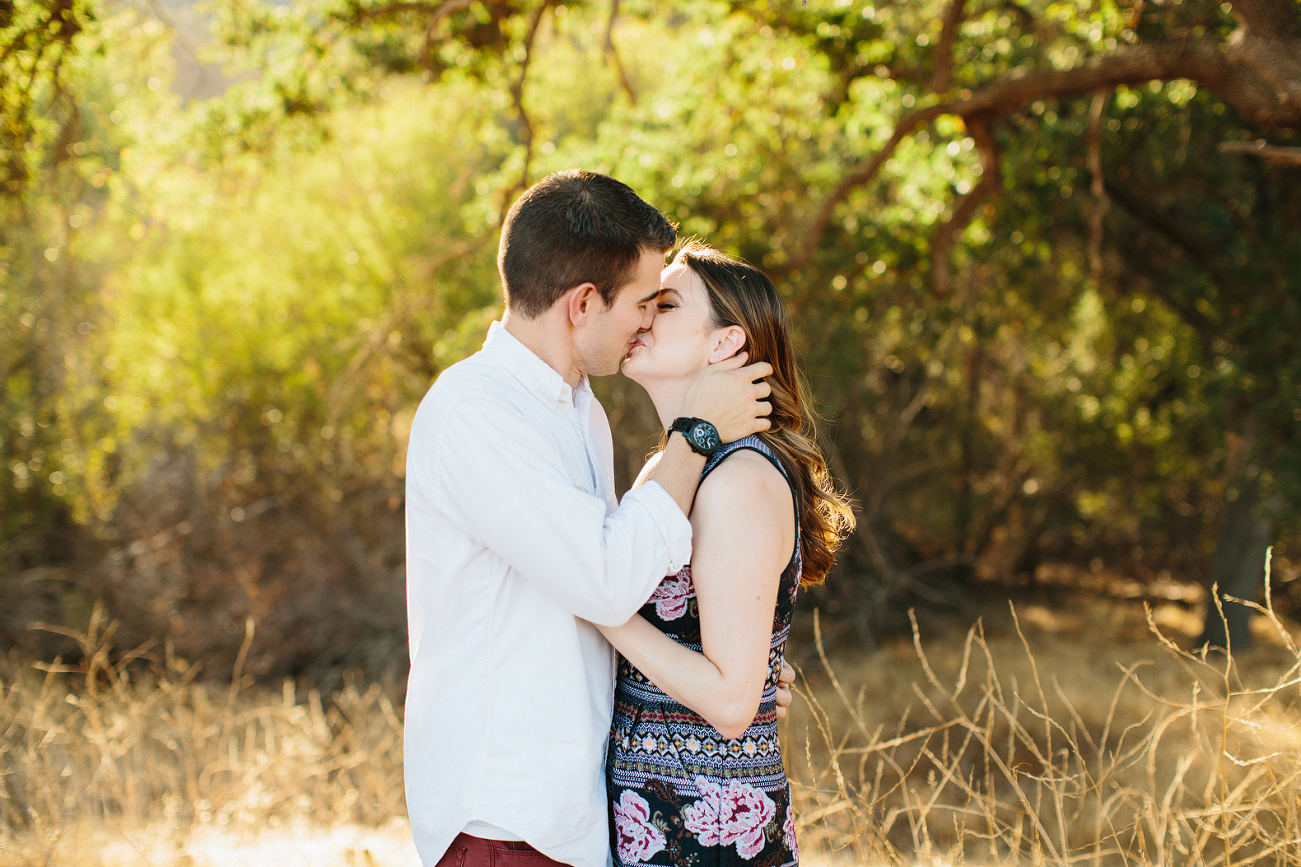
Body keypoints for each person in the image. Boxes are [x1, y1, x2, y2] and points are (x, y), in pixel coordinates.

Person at [404, 171, 790, 867]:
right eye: (647, 302)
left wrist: (738, 672)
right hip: (506, 813)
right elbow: (605, 582)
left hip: (580, 810)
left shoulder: (581, 411)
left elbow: (616, 577)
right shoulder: (477, 413)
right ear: (584, 303)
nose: (646, 320)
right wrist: (696, 432)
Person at [597, 241, 855, 866]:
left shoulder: (739, 477)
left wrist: (596, 602)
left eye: (665, 303)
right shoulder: (676, 465)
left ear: (724, 345)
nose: (642, 315)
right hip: (655, 823)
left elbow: (734, 704)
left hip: (709, 837)